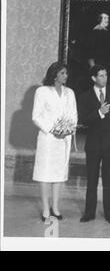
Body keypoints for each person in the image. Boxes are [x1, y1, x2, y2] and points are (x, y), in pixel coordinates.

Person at [78, 64, 110, 224]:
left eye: (106, 75)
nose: (105, 78)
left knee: (109, 179)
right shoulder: (85, 96)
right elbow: (84, 120)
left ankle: (109, 212)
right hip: (93, 144)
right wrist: (99, 113)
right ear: (94, 78)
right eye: (101, 75)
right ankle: (89, 212)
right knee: (91, 179)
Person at [32, 62, 77, 222]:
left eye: (66, 73)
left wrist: (67, 129)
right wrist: (53, 129)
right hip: (48, 139)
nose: (66, 76)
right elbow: (36, 116)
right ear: (54, 74)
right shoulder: (42, 91)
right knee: (45, 173)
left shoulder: (70, 93)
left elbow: (74, 114)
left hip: (63, 139)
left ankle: (56, 208)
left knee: (59, 173)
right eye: (63, 73)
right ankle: (45, 209)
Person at [86, 12, 110, 90]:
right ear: (100, 19)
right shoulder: (94, 32)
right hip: (99, 63)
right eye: (105, 18)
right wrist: (93, 67)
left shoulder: (109, 34)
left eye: (108, 18)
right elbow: (90, 51)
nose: (107, 20)